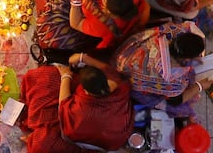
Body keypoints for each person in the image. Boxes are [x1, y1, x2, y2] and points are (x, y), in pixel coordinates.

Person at [77, 20, 205, 110]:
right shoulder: (176, 83)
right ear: (187, 58)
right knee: (176, 105)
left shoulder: (171, 30)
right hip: (126, 77)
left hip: (121, 56)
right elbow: (175, 100)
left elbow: (185, 26)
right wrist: (199, 86)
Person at [20, 63, 132, 153]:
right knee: (44, 78)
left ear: (86, 91)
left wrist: (66, 76)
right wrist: (82, 57)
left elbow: (62, 106)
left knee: (42, 143)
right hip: (116, 134)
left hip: (91, 139)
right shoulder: (120, 83)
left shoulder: (79, 111)